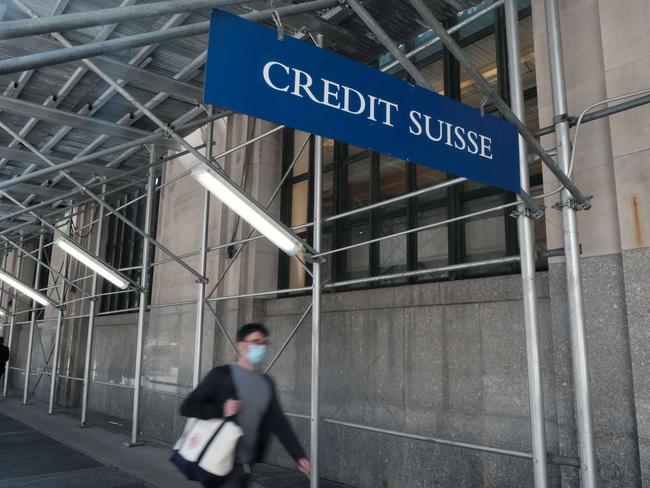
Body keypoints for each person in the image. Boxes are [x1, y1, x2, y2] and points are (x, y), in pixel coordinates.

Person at [180, 323, 310, 488]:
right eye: (256, 342)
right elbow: (187, 407)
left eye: (264, 343)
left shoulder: (266, 383)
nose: (261, 347)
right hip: (220, 463)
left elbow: (279, 422)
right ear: (241, 346)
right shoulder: (221, 375)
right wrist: (221, 410)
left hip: (247, 465)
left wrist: (298, 455)